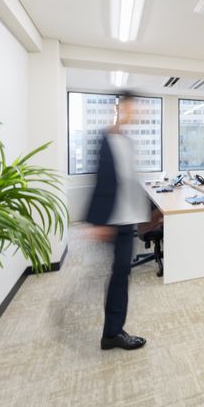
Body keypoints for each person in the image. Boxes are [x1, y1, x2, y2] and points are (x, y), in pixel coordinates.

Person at [85, 91, 148, 351]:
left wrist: (143, 214)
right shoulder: (106, 139)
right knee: (119, 275)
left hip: (128, 219)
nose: (135, 114)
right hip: (114, 220)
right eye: (131, 109)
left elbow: (128, 181)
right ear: (119, 109)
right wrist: (99, 221)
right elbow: (102, 180)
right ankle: (112, 333)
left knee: (121, 274)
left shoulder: (127, 141)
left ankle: (112, 331)